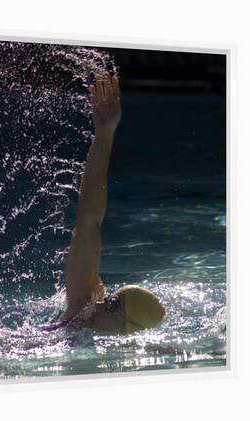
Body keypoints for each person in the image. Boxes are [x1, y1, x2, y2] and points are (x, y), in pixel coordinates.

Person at [40, 73, 166, 334]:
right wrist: (104, 135)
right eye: (110, 301)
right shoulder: (81, 313)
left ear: (129, 331)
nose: (101, 304)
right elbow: (89, 220)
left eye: (112, 306)